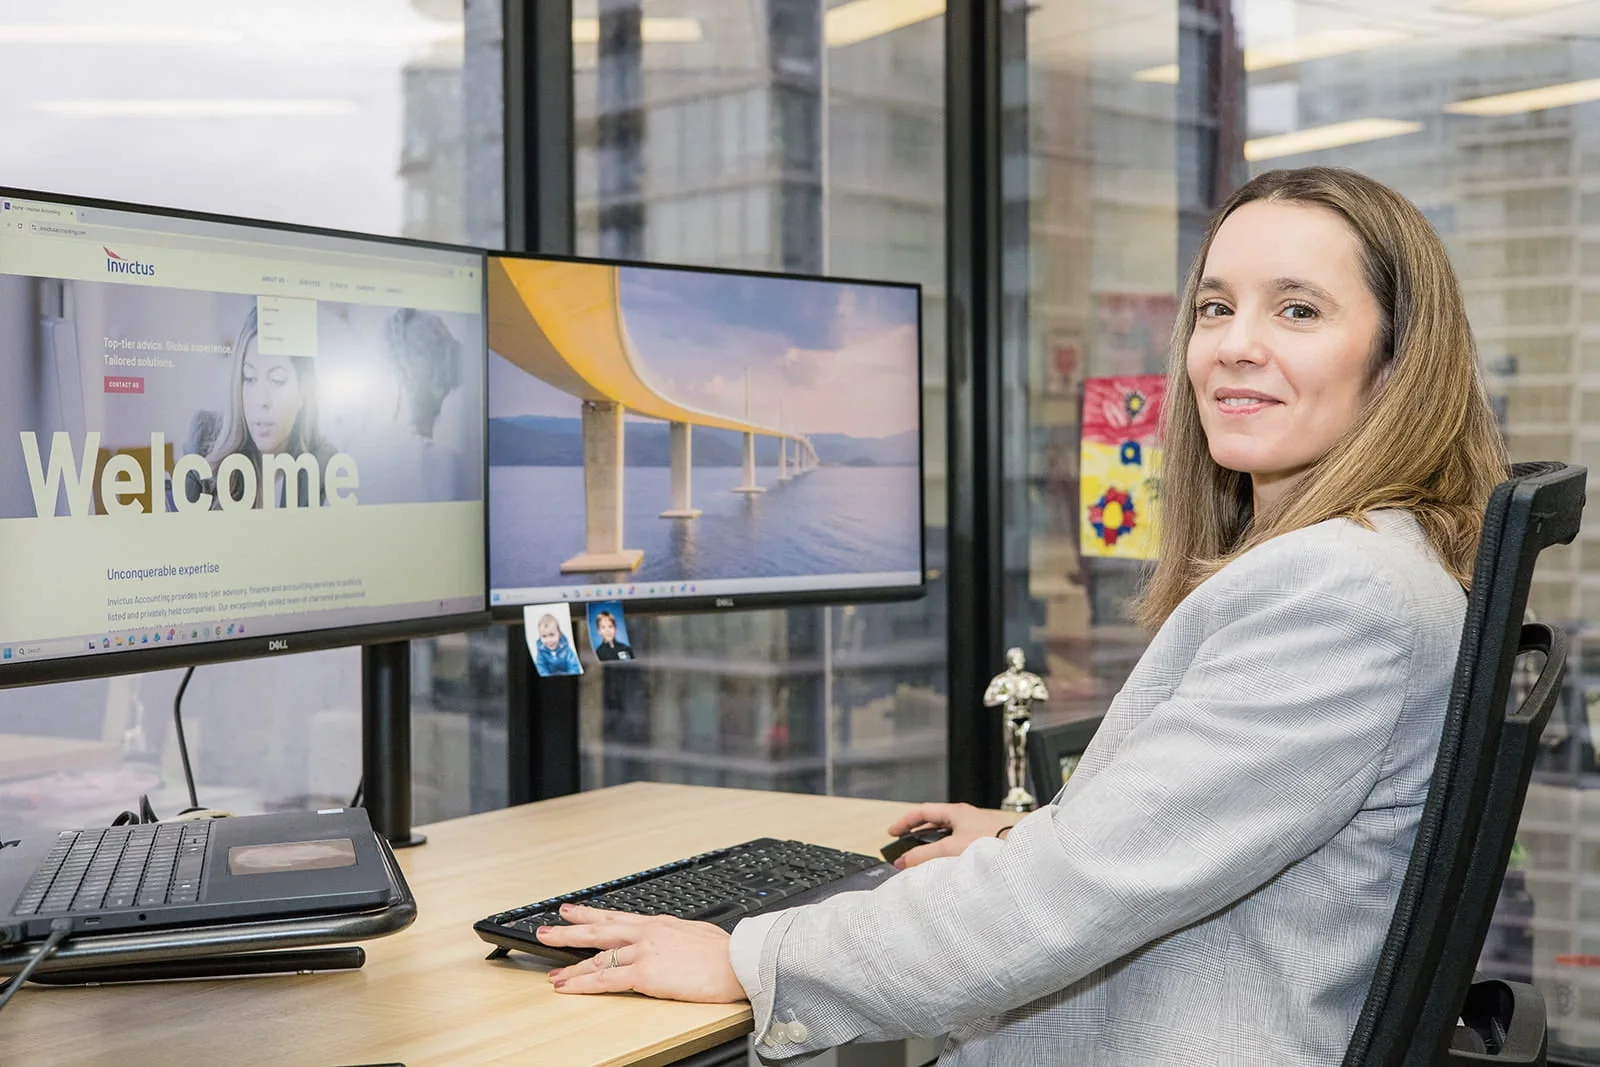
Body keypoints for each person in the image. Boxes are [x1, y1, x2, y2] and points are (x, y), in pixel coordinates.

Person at [534, 166, 1509, 1065]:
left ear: (1394, 360)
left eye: (1296, 308)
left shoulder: (1337, 592)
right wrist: (1023, 839)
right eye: (1214, 306)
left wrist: (752, 958)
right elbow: (1174, 833)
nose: (1233, 343)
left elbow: (1074, 891)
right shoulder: (1386, 564)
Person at [202, 305, 336, 508]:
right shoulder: (206, 452)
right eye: (249, 378)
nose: (261, 400)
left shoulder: (325, 468)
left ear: (304, 390)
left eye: (277, 379)